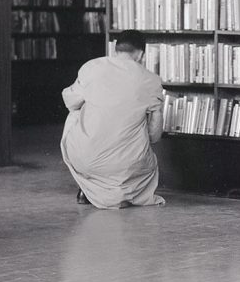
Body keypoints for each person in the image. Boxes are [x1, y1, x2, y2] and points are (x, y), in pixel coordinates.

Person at [60, 30, 166, 208]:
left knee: (76, 112)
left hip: (85, 160)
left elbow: (69, 100)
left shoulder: (91, 67)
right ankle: (122, 194)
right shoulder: (151, 80)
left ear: (115, 49)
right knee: (140, 136)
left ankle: (90, 189)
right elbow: (155, 136)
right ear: (141, 54)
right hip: (127, 166)